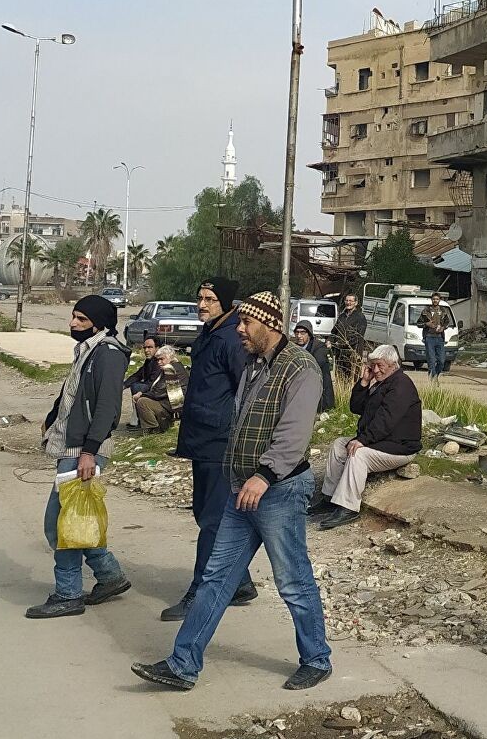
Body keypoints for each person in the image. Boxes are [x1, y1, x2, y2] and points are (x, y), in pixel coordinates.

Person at [132, 291, 332, 692]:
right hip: (243, 490)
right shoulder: (255, 364)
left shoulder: (301, 368)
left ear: (270, 324)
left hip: (278, 491)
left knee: (293, 580)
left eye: (247, 322)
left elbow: (294, 435)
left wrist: (265, 475)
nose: (239, 329)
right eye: (239, 322)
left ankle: (317, 659)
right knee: (215, 578)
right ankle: (183, 665)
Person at [26, 295, 132, 618]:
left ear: (99, 324)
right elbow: (74, 393)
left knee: (60, 525)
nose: (73, 323)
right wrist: (53, 417)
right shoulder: (88, 350)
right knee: (74, 521)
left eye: (81, 319)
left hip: (84, 450)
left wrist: (90, 451)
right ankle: (110, 576)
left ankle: (68, 593)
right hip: (72, 446)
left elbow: (107, 408)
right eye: (73, 316)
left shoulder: (108, 355)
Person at [165, 277, 258, 621]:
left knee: (212, 520)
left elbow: (246, 389)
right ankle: (240, 583)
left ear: (226, 303)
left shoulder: (232, 339)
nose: (202, 304)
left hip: (220, 441)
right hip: (200, 440)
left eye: (210, 299)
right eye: (200, 297)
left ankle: (200, 594)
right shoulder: (209, 333)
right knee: (205, 512)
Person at [313, 344, 421, 530]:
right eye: (373, 366)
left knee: (358, 453)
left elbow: (386, 420)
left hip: (400, 447)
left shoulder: (401, 385)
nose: (375, 370)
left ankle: (348, 507)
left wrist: (363, 440)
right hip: (382, 442)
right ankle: (330, 497)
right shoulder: (381, 383)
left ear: (392, 364)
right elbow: (356, 407)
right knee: (339, 445)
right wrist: (364, 383)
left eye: (380, 365)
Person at [125, 337, 187, 433]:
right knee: (139, 390)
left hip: (174, 408)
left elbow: (158, 391)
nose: (159, 362)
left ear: (170, 357)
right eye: (158, 360)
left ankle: (153, 430)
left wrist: (141, 395)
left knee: (142, 402)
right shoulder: (175, 366)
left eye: (162, 359)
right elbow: (138, 375)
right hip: (173, 405)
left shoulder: (170, 369)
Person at [292, 320, 335, 412]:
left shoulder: (319, 347)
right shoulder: (294, 347)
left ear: (309, 334)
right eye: (297, 332)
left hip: (320, 391)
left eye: (303, 333)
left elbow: (315, 365)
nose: (299, 336)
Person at [334, 294, 368, 381]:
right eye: (346, 300)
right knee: (339, 377)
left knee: (351, 379)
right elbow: (334, 331)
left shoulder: (360, 317)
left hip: (353, 353)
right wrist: (330, 341)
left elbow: (358, 336)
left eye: (351, 301)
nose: (348, 303)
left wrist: (344, 343)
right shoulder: (342, 316)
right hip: (340, 353)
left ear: (356, 303)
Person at [419, 293, 453, 381]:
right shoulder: (426, 311)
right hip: (429, 337)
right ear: (431, 300)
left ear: (439, 300)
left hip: (440, 338)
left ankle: (435, 376)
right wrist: (426, 324)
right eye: (434, 299)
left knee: (441, 361)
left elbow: (447, 322)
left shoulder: (443, 311)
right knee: (431, 360)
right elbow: (418, 323)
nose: (435, 300)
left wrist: (443, 328)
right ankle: (433, 380)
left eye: (437, 299)